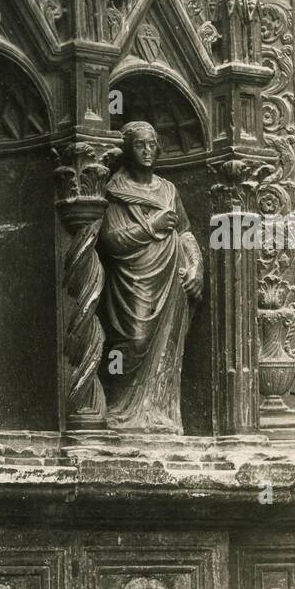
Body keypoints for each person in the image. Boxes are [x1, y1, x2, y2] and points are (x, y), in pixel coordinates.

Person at [98, 120, 203, 432]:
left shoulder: (168, 189)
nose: (146, 150)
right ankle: (121, 410)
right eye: (139, 145)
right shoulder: (115, 189)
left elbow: (185, 233)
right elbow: (110, 239)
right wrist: (151, 227)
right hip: (132, 280)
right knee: (134, 338)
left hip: (171, 280)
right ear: (128, 150)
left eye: (151, 144)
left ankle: (160, 414)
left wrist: (196, 267)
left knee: (167, 345)